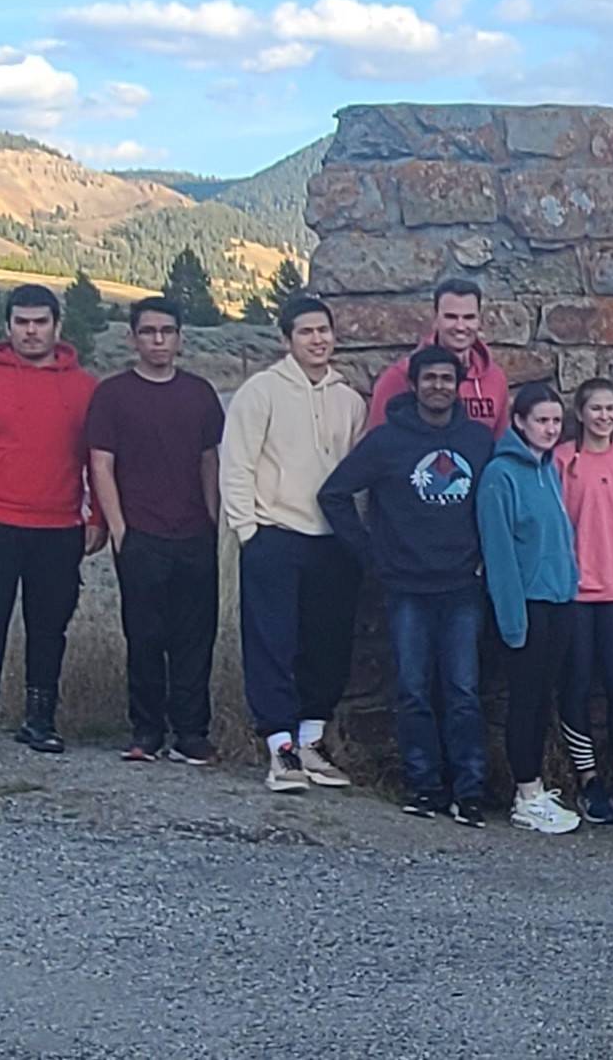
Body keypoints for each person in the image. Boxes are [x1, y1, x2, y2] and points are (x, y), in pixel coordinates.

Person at [318, 346, 497, 825]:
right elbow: (334, 494)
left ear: (457, 386)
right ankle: (424, 787)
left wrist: (491, 559)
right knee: (413, 690)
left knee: (463, 691)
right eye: (429, 378)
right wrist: (372, 555)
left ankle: (471, 790)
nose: (438, 386)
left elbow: (500, 503)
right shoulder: (385, 442)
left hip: (462, 585)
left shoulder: (479, 441)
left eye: (446, 378)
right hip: (406, 588)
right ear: (414, 385)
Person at [0, 283, 104, 754]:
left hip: (58, 529)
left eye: (40, 322)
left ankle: (40, 721)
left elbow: (98, 458)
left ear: (58, 326)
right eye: (22, 323)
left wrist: (96, 516)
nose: (31, 332)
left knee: (49, 627)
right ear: (8, 326)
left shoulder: (84, 387)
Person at [220, 295, 365, 792]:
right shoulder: (259, 392)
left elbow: (351, 473)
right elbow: (236, 463)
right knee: (273, 644)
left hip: (330, 542)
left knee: (326, 645)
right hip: (274, 535)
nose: (317, 339)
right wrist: (248, 531)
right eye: (306, 332)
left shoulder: (350, 401)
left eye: (323, 330)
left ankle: (311, 742)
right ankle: (279, 748)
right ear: (287, 340)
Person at [85, 296, 225, 766]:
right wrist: (118, 528)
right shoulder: (112, 396)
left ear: (180, 337)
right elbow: (100, 465)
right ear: (133, 338)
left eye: (167, 331)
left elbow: (210, 460)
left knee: (194, 638)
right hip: (141, 535)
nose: (158, 340)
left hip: (193, 535)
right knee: (144, 637)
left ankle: (191, 733)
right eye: (148, 332)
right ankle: (146, 731)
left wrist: (212, 520)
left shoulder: (200, 394)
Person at [479, 384, 585, 835]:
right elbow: (499, 554)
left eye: (556, 422)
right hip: (527, 606)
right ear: (519, 422)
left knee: (543, 698)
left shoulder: (551, 469)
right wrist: (512, 619)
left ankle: (536, 787)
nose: (549, 429)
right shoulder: (499, 476)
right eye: (541, 420)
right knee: (524, 701)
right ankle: (525, 794)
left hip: (559, 602)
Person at [550, 379, 613, 826]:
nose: (603, 416)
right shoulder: (561, 459)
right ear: (581, 412)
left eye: (610, 408)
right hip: (575, 592)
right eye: (595, 408)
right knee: (574, 685)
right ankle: (589, 778)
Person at [363, 278, 510, 438]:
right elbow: (376, 444)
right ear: (435, 319)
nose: (460, 326)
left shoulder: (495, 379)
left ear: (479, 320)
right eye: (451, 317)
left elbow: (500, 445)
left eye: (469, 317)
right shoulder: (400, 376)